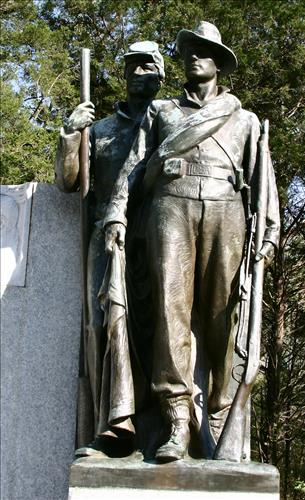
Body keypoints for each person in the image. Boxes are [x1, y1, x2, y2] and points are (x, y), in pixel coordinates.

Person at [104, 21, 280, 462]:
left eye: (203, 51)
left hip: (226, 212)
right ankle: (177, 419)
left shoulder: (245, 121)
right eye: (188, 51)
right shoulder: (162, 112)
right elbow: (134, 167)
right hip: (170, 210)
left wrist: (271, 235)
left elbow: (263, 184)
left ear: (219, 62)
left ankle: (221, 412)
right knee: (170, 312)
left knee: (225, 315)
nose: (193, 57)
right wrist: (116, 213)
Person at [55, 41, 165, 457]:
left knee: (159, 332)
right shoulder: (99, 130)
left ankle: (159, 434)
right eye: (132, 66)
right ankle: (109, 430)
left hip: (156, 232)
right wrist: (70, 135)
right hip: (106, 234)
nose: (139, 72)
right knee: (101, 326)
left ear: (161, 74)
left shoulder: (171, 122)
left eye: (148, 65)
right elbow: (69, 182)